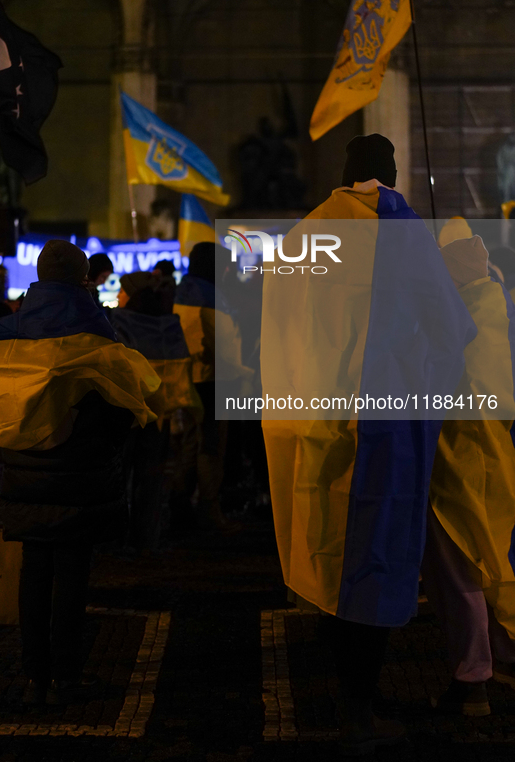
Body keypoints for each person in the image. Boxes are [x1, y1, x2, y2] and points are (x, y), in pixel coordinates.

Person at [261, 135, 476, 755]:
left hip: (313, 420)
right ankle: (359, 708)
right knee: (373, 560)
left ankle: (351, 694)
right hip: (381, 427)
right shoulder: (399, 229)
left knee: (331, 555)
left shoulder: (305, 232)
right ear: (390, 174)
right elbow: (450, 327)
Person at [0, 240, 160, 705]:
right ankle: (68, 675)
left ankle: (35, 674)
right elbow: (124, 407)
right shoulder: (100, 333)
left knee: (34, 571)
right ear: (82, 279)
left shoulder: (4, 332)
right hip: (81, 474)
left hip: (24, 472)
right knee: (72, 576)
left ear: (38, 276)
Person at [422, 234, 515, 715]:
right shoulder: (494, 308)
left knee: (459, 570)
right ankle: (500, 656)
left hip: (457, 463)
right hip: (492, 458)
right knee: (489, 560)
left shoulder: (460, 320)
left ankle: (472, 677)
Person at [110, 271, 201, 553]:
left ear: (132, 294)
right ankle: (146, 539)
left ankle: (112, 539)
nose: (117, 297)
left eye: (122, 292)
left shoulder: (117, 322)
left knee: (117, 477)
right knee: (150, 478)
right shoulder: (170, 323)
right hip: (159, 413)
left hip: (125, 414)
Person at [173, 242, 253, 531]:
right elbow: (219, 347)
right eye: (225, 264)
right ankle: (208, 511)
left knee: (192, 443)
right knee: (210, 446)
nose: (229, 270)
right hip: (214, 380)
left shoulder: (186, 292)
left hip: (194, 379)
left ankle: (182, 507)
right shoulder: (207, 298)